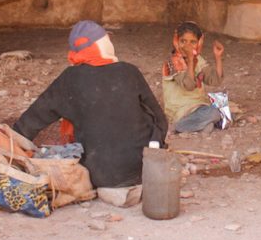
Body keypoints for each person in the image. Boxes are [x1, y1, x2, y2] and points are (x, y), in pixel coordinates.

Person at [13, 21, 167, 188]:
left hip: (96, 176)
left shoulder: (69, 79)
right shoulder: (129, 71)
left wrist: (10, 148)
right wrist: (156, 145)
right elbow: (160, 119)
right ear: (103, 44)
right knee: (145, 114)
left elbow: (30, 121)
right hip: (142, 170)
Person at [161, 21, 225, 134]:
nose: (188, 46)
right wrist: (190, 60)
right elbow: (189, 85)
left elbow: (215, 80)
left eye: (193, 42)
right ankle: (179, 126)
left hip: (199, 106)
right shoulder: (173, 62)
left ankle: (201, 125)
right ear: (176, 41)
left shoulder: (199, 60)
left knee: (223, 106)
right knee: (215, 112)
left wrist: (218, 57)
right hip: (181, 111)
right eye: (183, 41)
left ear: (199, 43)